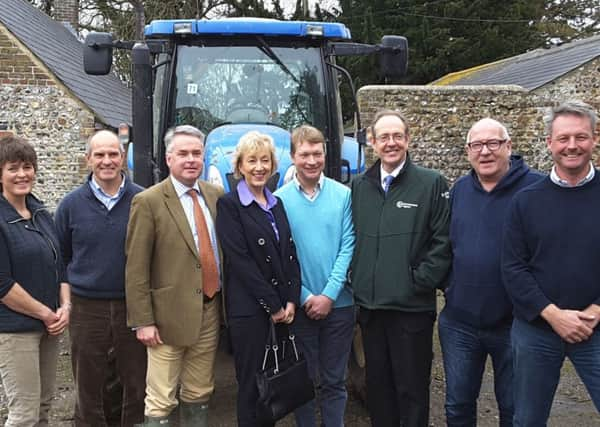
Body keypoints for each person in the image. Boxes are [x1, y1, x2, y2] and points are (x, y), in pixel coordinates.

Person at [350, 109, 451, 427]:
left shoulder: (431, 183)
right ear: (372, 142)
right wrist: (359, 278)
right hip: (371, 309)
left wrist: (417, 281)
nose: (391, 143)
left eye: (397, 136)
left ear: (407, 139)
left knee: (412, 392)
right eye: (384, 137)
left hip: (411, 310)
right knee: (378, 392)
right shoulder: (359, 187)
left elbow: (443, 241)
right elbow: (351, 239)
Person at [439, 118, 543, 426]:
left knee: (514, 409)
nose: (485, 152)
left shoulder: (537, 188)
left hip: (516, 323)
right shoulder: (459, 190)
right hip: (460, 323)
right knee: (457, 406)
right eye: (477, 145)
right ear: (468, 151)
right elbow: (446, 244)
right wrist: (450, 286)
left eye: (493, 143)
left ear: (509, 146)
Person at [502, 100, 600, 425]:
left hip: (596, 325)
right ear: (549, 143)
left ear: (595, 138)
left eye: (580, 137)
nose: (572, 146)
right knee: (527, 419)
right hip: (537, 330)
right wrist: (553, 315)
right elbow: (513, 267)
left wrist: (597, 309)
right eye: (563, 138)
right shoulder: (526, 200)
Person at [125, 125, 223, 426]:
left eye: (197, 153)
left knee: (199, 391)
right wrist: (143, 320)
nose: (191, 159)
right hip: (166, 319)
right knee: (160, 397)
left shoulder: (216, 196)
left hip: (209, 311)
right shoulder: (149, 201)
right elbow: (136, 267)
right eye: (183, 153)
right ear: (169, 159)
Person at [54, 130, 147, 426]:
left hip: (131, 305)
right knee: (88, 385)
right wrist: (66, 304)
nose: (107, 161)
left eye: (113, 154)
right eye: (99, 155)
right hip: (86, 307)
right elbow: (62, 259)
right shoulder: (70, 205)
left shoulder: (143, 200)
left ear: (122, 158)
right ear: (88, 159)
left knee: (134, 384)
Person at [216, 131, 300, 427]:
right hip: (250, 311)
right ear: (239, 166)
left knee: (272, 386)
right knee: (252, 388)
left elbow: (289, 254)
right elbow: (241, 262)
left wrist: (292, 298)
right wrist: (274, 305)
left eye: (265, 160)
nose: (259, 167)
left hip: (280, 309)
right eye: (251, 161)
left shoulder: (276, 203)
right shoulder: (229, 205)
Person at [275, 125, 355, 427]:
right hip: (300, 305)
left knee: (335, 380)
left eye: (317, 153)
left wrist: (329, 295)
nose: (311, 160)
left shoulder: (343, 195)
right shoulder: (278, 200)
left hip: (341, 305)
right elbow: (281, 256)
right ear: (293, 157)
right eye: (304, 154)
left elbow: (348, 245)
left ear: (325, 154)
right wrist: (307, 296)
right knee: (305, 380)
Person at [0, 135, 71, 426]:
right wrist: (46, 313)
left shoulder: (40, 213)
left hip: (50, 326)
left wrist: (65, 307)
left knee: (43, 408)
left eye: (28, 167)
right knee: (24, 413)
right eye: (13, 168)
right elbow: (2, 285)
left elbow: (61, 266)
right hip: (17, 331)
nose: (22, 174)